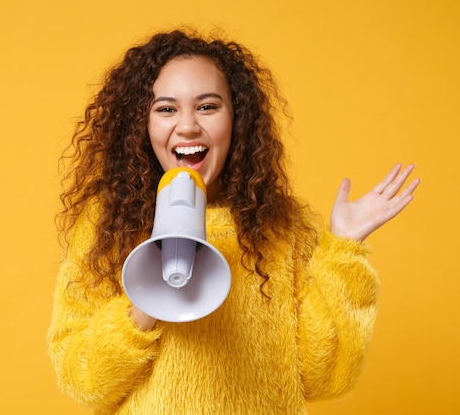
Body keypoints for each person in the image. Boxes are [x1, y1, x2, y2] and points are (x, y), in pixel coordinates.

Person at [47, 29, 420, 415]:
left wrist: (343, 247)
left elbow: (325, 377)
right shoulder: (109, 222)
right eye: (166, 108)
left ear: (236, 118)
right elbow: (81, 379)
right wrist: (146, 301)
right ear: (141, 122)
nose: (188, 126)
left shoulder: (284, 226)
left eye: (207, 107)